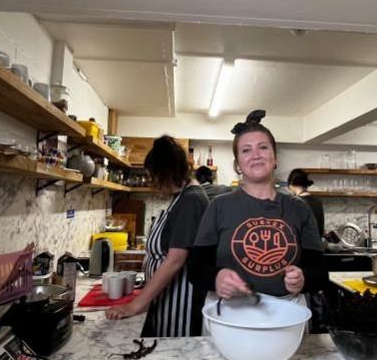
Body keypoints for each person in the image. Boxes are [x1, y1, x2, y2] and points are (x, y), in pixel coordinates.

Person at [190, 111, 328, 304]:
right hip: (231, 311)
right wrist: (216, 277)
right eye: (246, 150)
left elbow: (320, 272)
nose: (255, 155)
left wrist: (303, 279)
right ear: (238, 164)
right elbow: (195, 269)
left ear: (275, 158)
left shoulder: (299, 208)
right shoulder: (219, 206)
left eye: (263, 147)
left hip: (286, 310)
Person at [106, 136, 209, 337]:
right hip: (166, 299)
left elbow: (175, 261)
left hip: (181, 305)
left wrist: (134, 306)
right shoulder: (182, 197)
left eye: (154, 177)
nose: (153, 183)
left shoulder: (191, 200)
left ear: (166, 172)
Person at [287, 168, 324, 236]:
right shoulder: (317, 201)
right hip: (316, 244)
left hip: (301, 245)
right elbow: (320, 230)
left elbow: (292, 230)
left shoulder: (295, 203)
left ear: (290, 185)